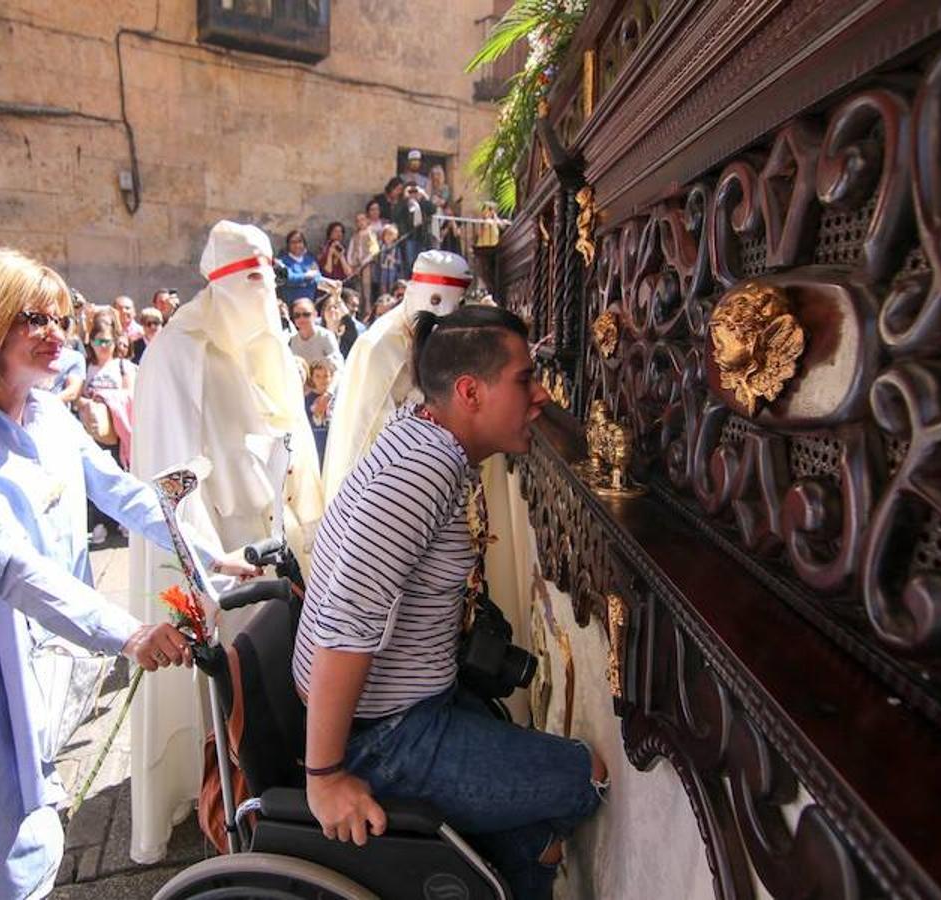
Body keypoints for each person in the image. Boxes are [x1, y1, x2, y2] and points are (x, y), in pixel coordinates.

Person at [0, 246, 259, 899]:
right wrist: (128, 633)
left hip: (48, 643)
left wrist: (211, 553)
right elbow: (6, 556)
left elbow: (128, 495)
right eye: (33, 318)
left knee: (39, 794)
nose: (57, 332)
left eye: (59, 317)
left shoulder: (49, 412)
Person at [293, 305, 605, 900]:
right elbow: (345, 624)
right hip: (384, 736)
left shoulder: (423, 433)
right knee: (585, 776)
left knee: (535, 836)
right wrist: (326, 778)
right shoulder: (423, 470)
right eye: (523, 379)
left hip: (406, 709)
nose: (539, 395)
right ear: (469, 392)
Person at [129, 220, 325, 864]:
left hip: (267, 545)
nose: (259, 296)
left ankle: (263, 784)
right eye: (248, 282)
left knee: (266, 694)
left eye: (265, 281)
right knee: (213, 691)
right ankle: (217, 798)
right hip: (215, 551)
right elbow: (170, 478)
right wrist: (206, 573)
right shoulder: (176, 352)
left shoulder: (263, 336)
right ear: (217, 284)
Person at [324, 251, 471, 501]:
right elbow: (366, 430)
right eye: (434, 300)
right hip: (386, 486)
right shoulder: (379, 344)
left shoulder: (448, 338)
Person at [82, 323, 137, 469]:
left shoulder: (123, 365)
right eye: (100, 341)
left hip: (116, 431)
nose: (104, 346)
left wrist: (105, 398)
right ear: (92, 342)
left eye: (108, 341)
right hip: (90, 430)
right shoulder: (86, 366)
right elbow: (78, 397)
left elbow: (130, 395)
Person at [287, 298, 343, 374]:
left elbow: (337, 364)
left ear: (315, 315)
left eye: (306, 314)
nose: (302, 319)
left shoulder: (326, 336)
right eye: (297, 315)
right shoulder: (292, 340)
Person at [394, 182, 436, 274]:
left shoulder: (422, 203)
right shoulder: (403, 204)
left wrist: (424, 196)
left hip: (422, 237)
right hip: (409, 237)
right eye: (410, 192)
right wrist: (405, 200)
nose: (413, 194)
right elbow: (396, 215)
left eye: (415, 191)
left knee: (423, 264)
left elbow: (433, 209)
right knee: (410, 263)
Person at [347, 209, 381, 312]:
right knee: (358, 289)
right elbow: (350, 250)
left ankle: (368, 309)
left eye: (362, 219)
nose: (360, 222)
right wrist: (351, 263)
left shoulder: (371, 234)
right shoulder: (355, 236)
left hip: (367, 265)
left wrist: (364, 263)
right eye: (358, 220)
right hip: (356, 266)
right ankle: (358, 309)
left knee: (367, 288)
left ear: (367, 220)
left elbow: (374, 251)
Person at [277, 230, 321, 308]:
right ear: (288, 245)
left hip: (309, 306)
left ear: (304, 244)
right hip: (291, 306)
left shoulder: (310, 260)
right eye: (293, 242)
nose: (297, 245)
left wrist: (331, 283)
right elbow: (288, 279)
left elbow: (318, 278)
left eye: (299, 241)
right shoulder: (281, 262)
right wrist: (306, 276)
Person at [304, 357, 336, 466]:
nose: (322, 380)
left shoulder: (336, 399)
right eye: (317, 376)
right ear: (312, 378)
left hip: (332, 446)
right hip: (314, 446)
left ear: (331, 377)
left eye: (325, 376)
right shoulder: (306, 400)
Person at [376, 223, 402, 298]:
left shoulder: (396, 249)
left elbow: (399, 262)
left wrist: (393, 260)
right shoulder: (381, 247)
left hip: (392, 270)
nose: (388, 237)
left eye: (390, 235)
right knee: (382, 286)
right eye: (386, 234)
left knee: (391, 286)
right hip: (383, 269)